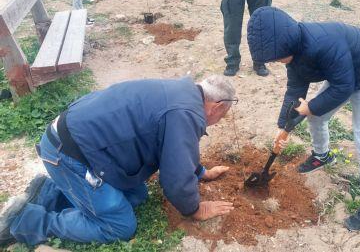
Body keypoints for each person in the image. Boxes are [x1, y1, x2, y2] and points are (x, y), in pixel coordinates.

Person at [0, 75, 236, 246]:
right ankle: (27, 220)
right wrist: (194, 209)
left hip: (83, 144)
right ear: (217, 107)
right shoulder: (187, 114)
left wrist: (200, 171)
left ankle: (48, 193)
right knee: (119, 225)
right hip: (69, 154)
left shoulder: (183, 94)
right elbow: (175, 180)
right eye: (223, 115)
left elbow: (177, 148)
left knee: (137, 195)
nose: (219, 120)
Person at [246, 6, 360, 231]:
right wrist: (282, 126)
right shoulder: (293, 53)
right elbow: (295, 90)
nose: (276, 61)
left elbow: (344, 87)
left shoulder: (323, 44)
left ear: (287, 44)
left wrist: (311, 107)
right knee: (316, 117)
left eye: (276, 58)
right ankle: (322, 155)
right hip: (342, 74)